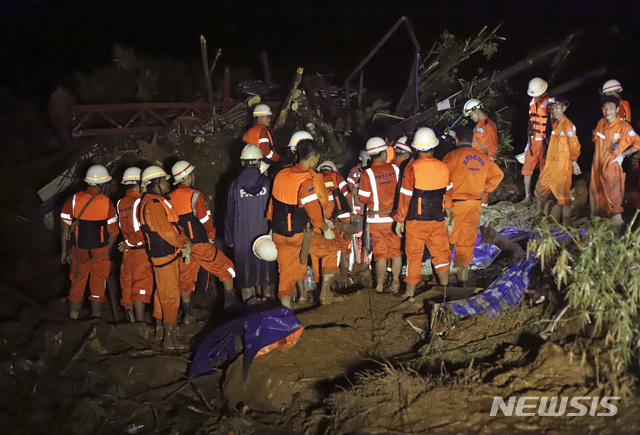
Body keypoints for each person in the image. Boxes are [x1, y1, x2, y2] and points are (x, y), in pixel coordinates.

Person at [267, 139, 335, 307]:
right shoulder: (305, 181)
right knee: (331, 249)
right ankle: (326, 295)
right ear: (313, 159)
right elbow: (314, 212)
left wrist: (271, 226)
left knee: (285, 277)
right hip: (298, 234)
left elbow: (271, 205)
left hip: (279, 233)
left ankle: (286, 316)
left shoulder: (281, 174)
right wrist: (326, 229)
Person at [169, 160, 236, 323]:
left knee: (185, 280)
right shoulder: (195, 195)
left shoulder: (168, 198)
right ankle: (230, 305)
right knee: (226, 268)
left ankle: (187, 314)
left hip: (182, 247)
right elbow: (205, 219)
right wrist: (211, 235)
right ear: (188, 176)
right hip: (200, 243)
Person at [138, 166, 191, 350]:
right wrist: (183, 244)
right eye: (164, 180)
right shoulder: (153, 203)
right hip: (164, 254)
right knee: (170, 295)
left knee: (161, 293)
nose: (167, 183)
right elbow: (166, 230)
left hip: (164, 254)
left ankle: (160, 330)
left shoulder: (154, 201)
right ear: (156, 183)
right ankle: (169, 339)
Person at [395, 128, 452, 297]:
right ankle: (445, 289)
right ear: (434, 146)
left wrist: (399, 219)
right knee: (441, 255)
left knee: (414, 256)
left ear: (416, 149)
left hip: (416, 222)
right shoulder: (444, 167)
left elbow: (405, 196)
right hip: (437, 220)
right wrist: (449, 216)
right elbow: (448, 194)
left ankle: (409, 293)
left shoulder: (412, 168)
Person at [442, 125, 504, 284]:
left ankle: (443, 282)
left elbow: (442, 181)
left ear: (456, 139)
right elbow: (498, 175)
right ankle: (462, 282)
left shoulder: (452, 157)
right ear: (472, 140)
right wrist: (484, 189)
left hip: (455, 205)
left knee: (447, 240)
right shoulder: (483, 158)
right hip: (474, 205)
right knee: (467, 242)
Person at [61, 165, 118, 319]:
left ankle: (72, 317)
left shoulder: (73, 200)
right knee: (98, 283)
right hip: (100, 249)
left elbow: (65, 227)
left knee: (77, 282)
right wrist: (107, 250)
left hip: (79, 250)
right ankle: (95, 319)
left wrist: (64, 251)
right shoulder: (107, 203)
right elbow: (113, 232)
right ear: (101, 184)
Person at [225, 145, 276, 303]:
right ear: (259, 162)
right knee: (267, 273)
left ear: (242, 163)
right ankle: (269, 306)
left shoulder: (234, 185)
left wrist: (229, 239)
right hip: (266, 237)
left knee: (245, 275)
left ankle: (249, 310)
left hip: (242, 239)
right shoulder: (268, 183)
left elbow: (229, 213)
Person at [357, 137, 402, 294]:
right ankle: (396, 283)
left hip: (376, 220)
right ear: (384, 153)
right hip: (395, 219)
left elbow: (362, 198)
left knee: (380, 254)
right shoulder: (395, 169)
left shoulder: (367, 174)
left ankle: (380, 285)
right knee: (396, 252)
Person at [590, 95, 640, 228]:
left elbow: (638, 143)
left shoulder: (624, 127)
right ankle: (602, 233)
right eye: (605, 108)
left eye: (611, 108)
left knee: (614, 203)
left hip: (612, 168)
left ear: (617, 109)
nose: (607, 111)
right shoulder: (601, 123)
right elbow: (596, 139)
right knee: (598, 198)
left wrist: (622, 155)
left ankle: (619, 235)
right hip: (597, 168)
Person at [534, 98, 582, 225]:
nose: (554, 110)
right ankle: (539, 214)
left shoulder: (568, 126)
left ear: (564, 108)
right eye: (552, 108)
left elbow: (574, 145)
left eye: (557, 107)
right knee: (540, 189)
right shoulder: (555, 124)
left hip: (562, 167)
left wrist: (574, 161)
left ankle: (566, 226)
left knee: (563, 197)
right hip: (550, 166)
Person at [117, 167, 153, 322]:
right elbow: (143, 230)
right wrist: (129, 242)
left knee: (127, 285)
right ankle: (139, 323)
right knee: (140, 286)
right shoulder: (140, 201)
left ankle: (131, 322)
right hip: (139, 251)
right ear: (139, 184)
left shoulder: (120, 202)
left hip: (127, 252)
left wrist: (126, 243)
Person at [317, 160, 355, 276]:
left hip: (325, 219)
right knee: (344, 248)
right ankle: (344, 276)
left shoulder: (316, 178)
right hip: (342, 216)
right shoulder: (336, 176)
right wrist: (352, 211)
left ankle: (331, 278)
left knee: (329, 248)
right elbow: (348, 194)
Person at [520, 77, 550, 205]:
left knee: (544, 170)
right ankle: (527, 197)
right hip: (532, 141)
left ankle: (541, 198)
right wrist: (528, 144)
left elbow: (553, 124)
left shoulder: (550, 103)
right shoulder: (532, 102)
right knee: (527, 168)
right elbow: (531, 123)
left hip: (544, 141)